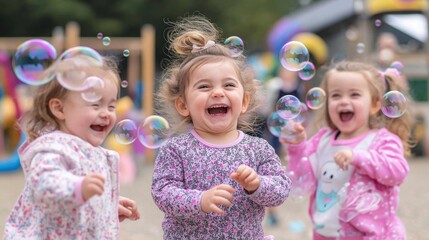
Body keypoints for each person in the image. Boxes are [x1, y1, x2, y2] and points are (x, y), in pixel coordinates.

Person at [151, 15, 291, 239]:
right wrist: (199, 201)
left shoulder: (258, 149)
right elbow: (162, 193)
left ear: (244, 101)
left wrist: (257, 185)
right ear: (183, 104)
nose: (218, 92)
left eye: (228, 85)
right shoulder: (176, 149)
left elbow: (281, 190)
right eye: (204, 86)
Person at [4, 53, 140, 239]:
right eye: (95, 104)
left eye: (111, 106)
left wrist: (107, 205)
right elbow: (45, 184)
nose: (106, 114)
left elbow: (82, 199)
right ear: (60, 109)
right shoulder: (53, 147)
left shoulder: (94, 151)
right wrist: (78, 187)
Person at [280, 61, 414, 239]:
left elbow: (398, 172)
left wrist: (359, 157)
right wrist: (297, 148)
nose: (344, 101)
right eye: (336, 95)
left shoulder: (382, 140)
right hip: (324, 234)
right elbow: (300, 183)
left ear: (374, 105)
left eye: (354, 94)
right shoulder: (322, 140)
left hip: (372, 235)